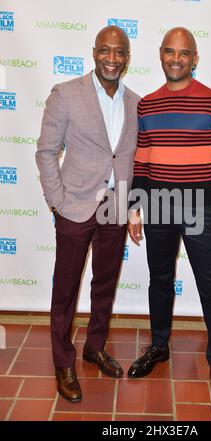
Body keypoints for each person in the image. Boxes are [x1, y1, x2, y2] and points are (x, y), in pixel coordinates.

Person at [127, 27, 211, 408]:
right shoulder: (146, 105)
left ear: (195, 58)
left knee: (210, 285)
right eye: (168, 51)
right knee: (159, 279)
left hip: (203, 205)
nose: (175, 59)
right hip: (159, 203)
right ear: (160, 55)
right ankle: (159, 346)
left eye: (183, 53)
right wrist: (133, 207)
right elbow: (141, 163)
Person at [36, 26, 140, 402]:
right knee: (65, 290)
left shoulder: (136, 103)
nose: (112, 59)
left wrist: (130, 207)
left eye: (120, 53)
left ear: (128, 58)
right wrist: (57, 201)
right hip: (74, 206)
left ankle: (94, 347)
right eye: (105, 51)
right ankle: (63, 360)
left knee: (105, 284)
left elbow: (128, 159)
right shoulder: (66, 95)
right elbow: (47, 151)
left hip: (115, 207)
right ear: (94, 52)